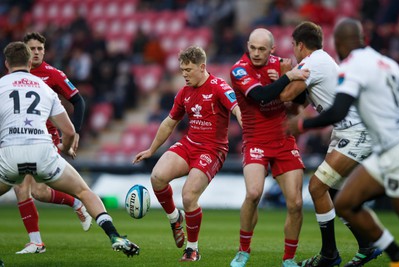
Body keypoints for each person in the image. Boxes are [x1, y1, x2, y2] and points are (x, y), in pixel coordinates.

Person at [0, 41, 140, 257]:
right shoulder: (45, 89)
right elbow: (69, 131)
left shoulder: (1, 85)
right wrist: (63, 147)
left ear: (6, 63)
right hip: (43, 151)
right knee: (84, 191)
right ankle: (114, 235)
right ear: (30, 62)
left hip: (9, 153)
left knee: (30, 190)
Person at [286, 18, 399, 267]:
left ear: (337, 43)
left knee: (318, 187)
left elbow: (338, 110)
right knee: (342, 197)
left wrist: (304, 125)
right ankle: (374, 248)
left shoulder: (352, 66)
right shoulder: (388, 64)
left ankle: (329, 255)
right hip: (381, 140)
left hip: (364, 136)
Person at [133, 46, 242, 262]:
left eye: (188, 69)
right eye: (182, 69)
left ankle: (192, 249)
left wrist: (248, 137)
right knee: (157, 177)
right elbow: (169, 123)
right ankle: (175, 218)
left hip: (213, 150)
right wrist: (151, 150)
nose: (184, 74)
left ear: (202, 67)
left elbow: (237, 109)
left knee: (189, 195)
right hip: (189, 144)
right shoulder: (184, 92)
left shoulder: (219, 87)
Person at [229, 28, 309, 267]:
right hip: (255, 140)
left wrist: (290, 83)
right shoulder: (238, 69)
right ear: (247, 45)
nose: (255, 53)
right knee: (253, 194)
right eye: (252, 47)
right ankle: (243, 250)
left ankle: (289, 259)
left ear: (271, 49)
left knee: (295, 203)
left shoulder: (282, 64)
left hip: (283, 140)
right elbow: (261, 96)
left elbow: (300, 101)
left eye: (262, 49)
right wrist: (288, 77)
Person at [12, 32, 91, 254]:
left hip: (46, 138)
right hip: (20, 137)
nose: (36, 52)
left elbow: (78, 100)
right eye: (32, 48)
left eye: (40, 48)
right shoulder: (13, 76)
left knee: (23, 187)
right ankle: (76, 204)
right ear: (24, 52)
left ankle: (36, 242)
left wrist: (75, 132)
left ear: (44, 51)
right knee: (38, 192)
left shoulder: (52, 74)